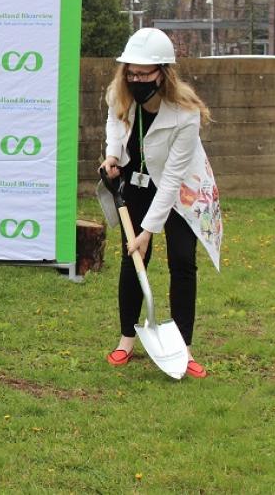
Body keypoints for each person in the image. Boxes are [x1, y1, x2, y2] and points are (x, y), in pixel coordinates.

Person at [99, 28, 222, 378]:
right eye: (131, 72)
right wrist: (112, 154)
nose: (136, 79)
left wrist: (150, 229)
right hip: (137, 180)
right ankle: (126, 340)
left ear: (163, 72)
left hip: (181, 188)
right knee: (133, 257)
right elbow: (114, 119)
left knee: (182, 261)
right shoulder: (119, 91)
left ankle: (183, 347)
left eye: (144, 73)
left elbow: (171, 179)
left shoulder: (186, 114)